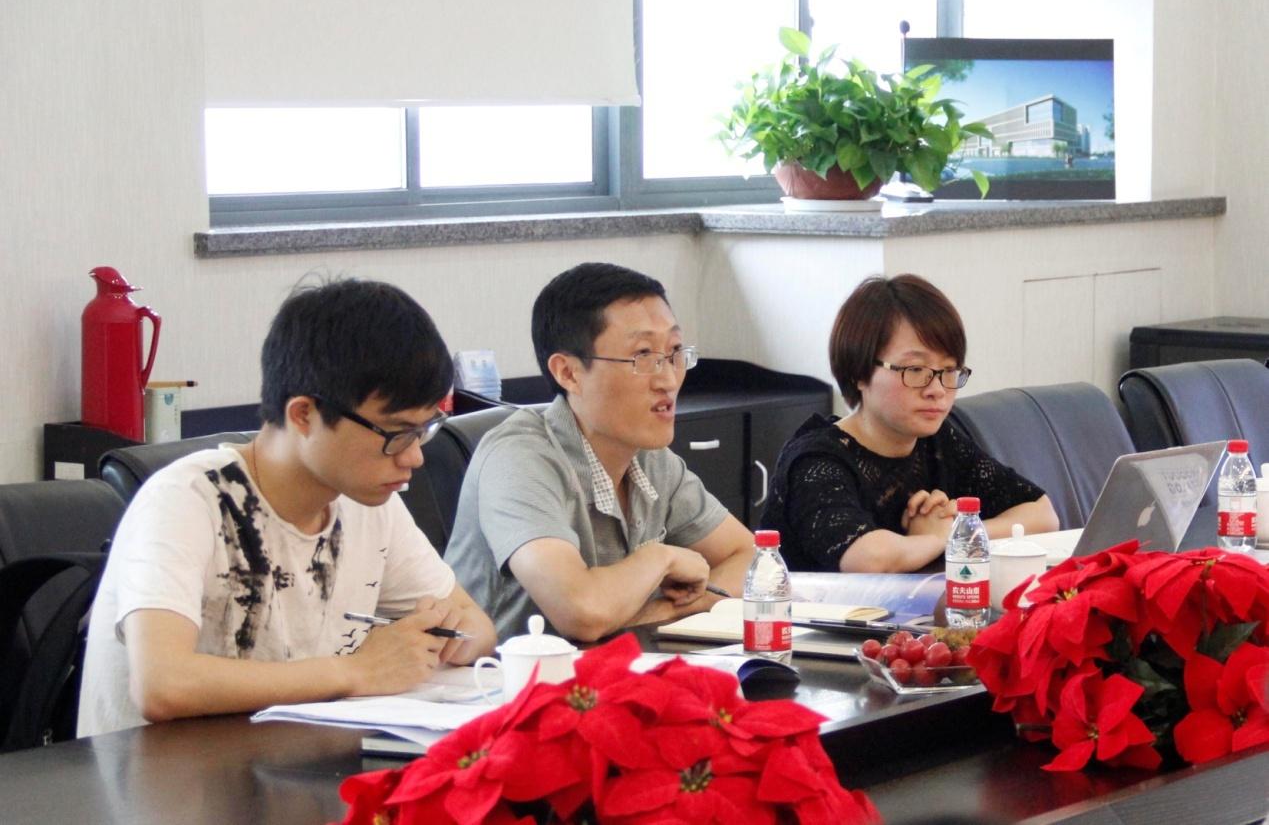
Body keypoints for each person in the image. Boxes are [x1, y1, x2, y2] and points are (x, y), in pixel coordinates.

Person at [78, 279, 496, 737]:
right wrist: (357, 670)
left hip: (295, 759)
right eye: (396, 434)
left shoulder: (368, 502)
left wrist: (445, 636)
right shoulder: (187, 499)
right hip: (162, 775)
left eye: (425, 431)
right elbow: (162, 684)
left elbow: (475, 625)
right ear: (303, 415)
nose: (414, 457)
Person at [444, 262, 754, 642]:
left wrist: (658, 610)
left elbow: (753, 560)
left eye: (675, 352)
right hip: (502, 676)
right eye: (643, 356)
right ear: (568, 373)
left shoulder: (650, 458)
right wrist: (661, 558)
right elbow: (582, 612)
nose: (668, 379)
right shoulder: (518, 459)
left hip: (618, 668)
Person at [761, 274, 1058, 573]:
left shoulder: (937, 442)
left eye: (948, 370)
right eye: (916, 369)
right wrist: (940, 537)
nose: (937, 389)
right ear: (859, 373)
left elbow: (1042, 515)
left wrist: (953, 530)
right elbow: (870, 559)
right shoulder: (815, 461)